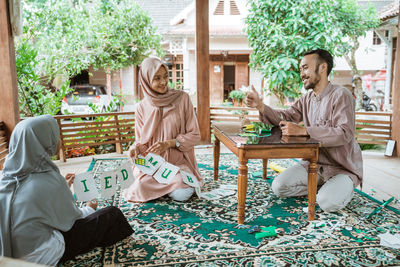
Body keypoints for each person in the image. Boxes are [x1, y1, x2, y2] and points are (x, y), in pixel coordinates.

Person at [0, 115, 133, 265]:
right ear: (44, 142)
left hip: (5, 256)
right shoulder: (48, 181)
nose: (59, 141)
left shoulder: (3, 178)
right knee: (112, 214)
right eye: (55, 135)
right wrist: (90, 208)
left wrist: (61, 187)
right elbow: (73, 220)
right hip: (38, 257)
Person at [245, 49, 363, 212]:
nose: (302, 73)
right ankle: (323, 188)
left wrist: (304, 130)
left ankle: (338, 189)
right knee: (279, 187)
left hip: (341, 168)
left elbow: (344, 133)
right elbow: (285, 117)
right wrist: (260, 105)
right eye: (301, 69)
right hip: (312, 163)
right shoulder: (306, 99)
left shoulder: (341, 95)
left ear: (322, 68)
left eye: (306, 67)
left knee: (326, 204)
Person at [124, 57, 202, 202]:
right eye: (157, 78)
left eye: (165, 76)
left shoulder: (182, 99)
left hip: (177, 163)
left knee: (181, 194)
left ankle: (163, 189)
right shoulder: (141, 107)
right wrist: (134, 147)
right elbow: (140, 141)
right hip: (153, 165)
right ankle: (163, 187)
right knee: (139, 187)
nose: (163, 82)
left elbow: (195, 135)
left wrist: (169, 143)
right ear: (147, 81)